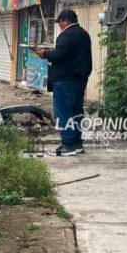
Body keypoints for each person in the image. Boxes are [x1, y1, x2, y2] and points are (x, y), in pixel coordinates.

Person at [33, 9, 93, 156]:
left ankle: (68, 145)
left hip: (65, 81)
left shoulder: (66, 35)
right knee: (76, 112)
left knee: (63, 113)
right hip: (80, 80)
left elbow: (59, 55)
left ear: (65, 21)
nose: (59, 25)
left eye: (60, 22)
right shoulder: (84, 34)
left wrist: (45, 54)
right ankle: (77, 143)